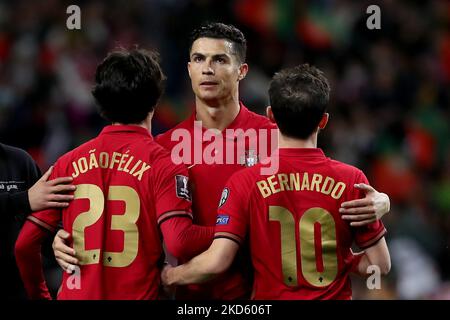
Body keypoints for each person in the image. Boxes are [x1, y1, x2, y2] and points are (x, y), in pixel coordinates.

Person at [52, 23, 391, 300]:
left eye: (219, 60)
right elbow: (124, 221)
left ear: (242, 70)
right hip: (188, 297)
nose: (208, 69)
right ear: (187, 69)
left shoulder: (276, 136)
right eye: (198, 59)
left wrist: (381, 199)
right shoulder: (162, 150)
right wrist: (70, 240)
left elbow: (327, 185)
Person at [161, 64, 391, 299]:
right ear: (323, 121)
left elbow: (218, 261)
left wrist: (172, 276)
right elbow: (380, 265)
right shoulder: (352, 181)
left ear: (270, 115)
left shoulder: (244, 182)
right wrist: (341, 259)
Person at [14, 48, 214, 300]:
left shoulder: (66, 164)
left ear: (102, 102)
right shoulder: (164, 165)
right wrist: (233, 230)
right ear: (154, 101)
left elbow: (24, 245)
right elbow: (180, 241)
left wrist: (41, 296)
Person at [0, 143, 75, 299]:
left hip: (21, 290)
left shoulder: (19, 161)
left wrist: (58, 240)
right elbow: (29, 200)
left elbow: (42, 227)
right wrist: (24, 200)